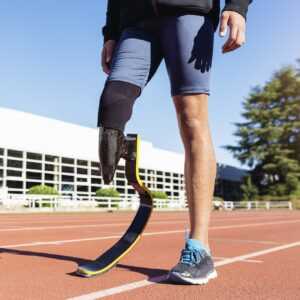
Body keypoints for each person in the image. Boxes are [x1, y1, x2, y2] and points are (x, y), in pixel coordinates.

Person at [97, 0, 252, 285]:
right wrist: (110, 34)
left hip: (189, 12)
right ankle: (127, 171)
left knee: (191, 117)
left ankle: (199, 247)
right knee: (112, 105)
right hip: (136, 23)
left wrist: (238, 6)